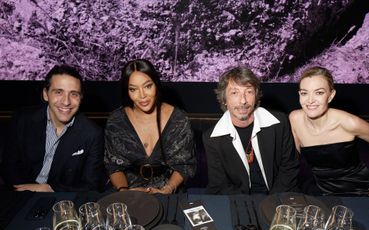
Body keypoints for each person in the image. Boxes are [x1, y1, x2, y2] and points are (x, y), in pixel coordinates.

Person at [289, 66, 369, 196]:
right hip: (321, 190)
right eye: (305, 93)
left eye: (319, 92)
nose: (310, 100)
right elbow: (292, 161)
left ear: (331, 95)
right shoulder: (295, 119)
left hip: (358, 189)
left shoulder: (350, 123)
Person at [1, 65, 106, 192]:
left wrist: (51, 189)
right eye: (58, 92)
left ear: (81, 98)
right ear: (46, 94)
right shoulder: (22, 119)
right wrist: (27, 192)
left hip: (62, 199)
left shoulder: (92, 133)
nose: (66, 102)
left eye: (74, 94)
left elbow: (91, 185)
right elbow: (8, 166)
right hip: (18, 194)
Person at [203, 66, 300, 194]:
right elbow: (219, 184)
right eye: (234, 93)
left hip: (278, 195)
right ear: (224, 99)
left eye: (249, 92)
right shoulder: (212, 138)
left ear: (256, 96)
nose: (243, 101)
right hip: (238, 199)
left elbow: (290, 167)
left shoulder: (279, 123)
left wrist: (273, 201)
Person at [104, 59, 196, 194]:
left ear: (156, 85)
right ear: (127, 91)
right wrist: (125, 192)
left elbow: (185, 165)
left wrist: (168, 189)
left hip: (168, 190)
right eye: (133, 89)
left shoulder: (179, 119)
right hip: (128, 189)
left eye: (147, 86)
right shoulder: (116, 121)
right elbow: (113, 167)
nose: (142, 96)